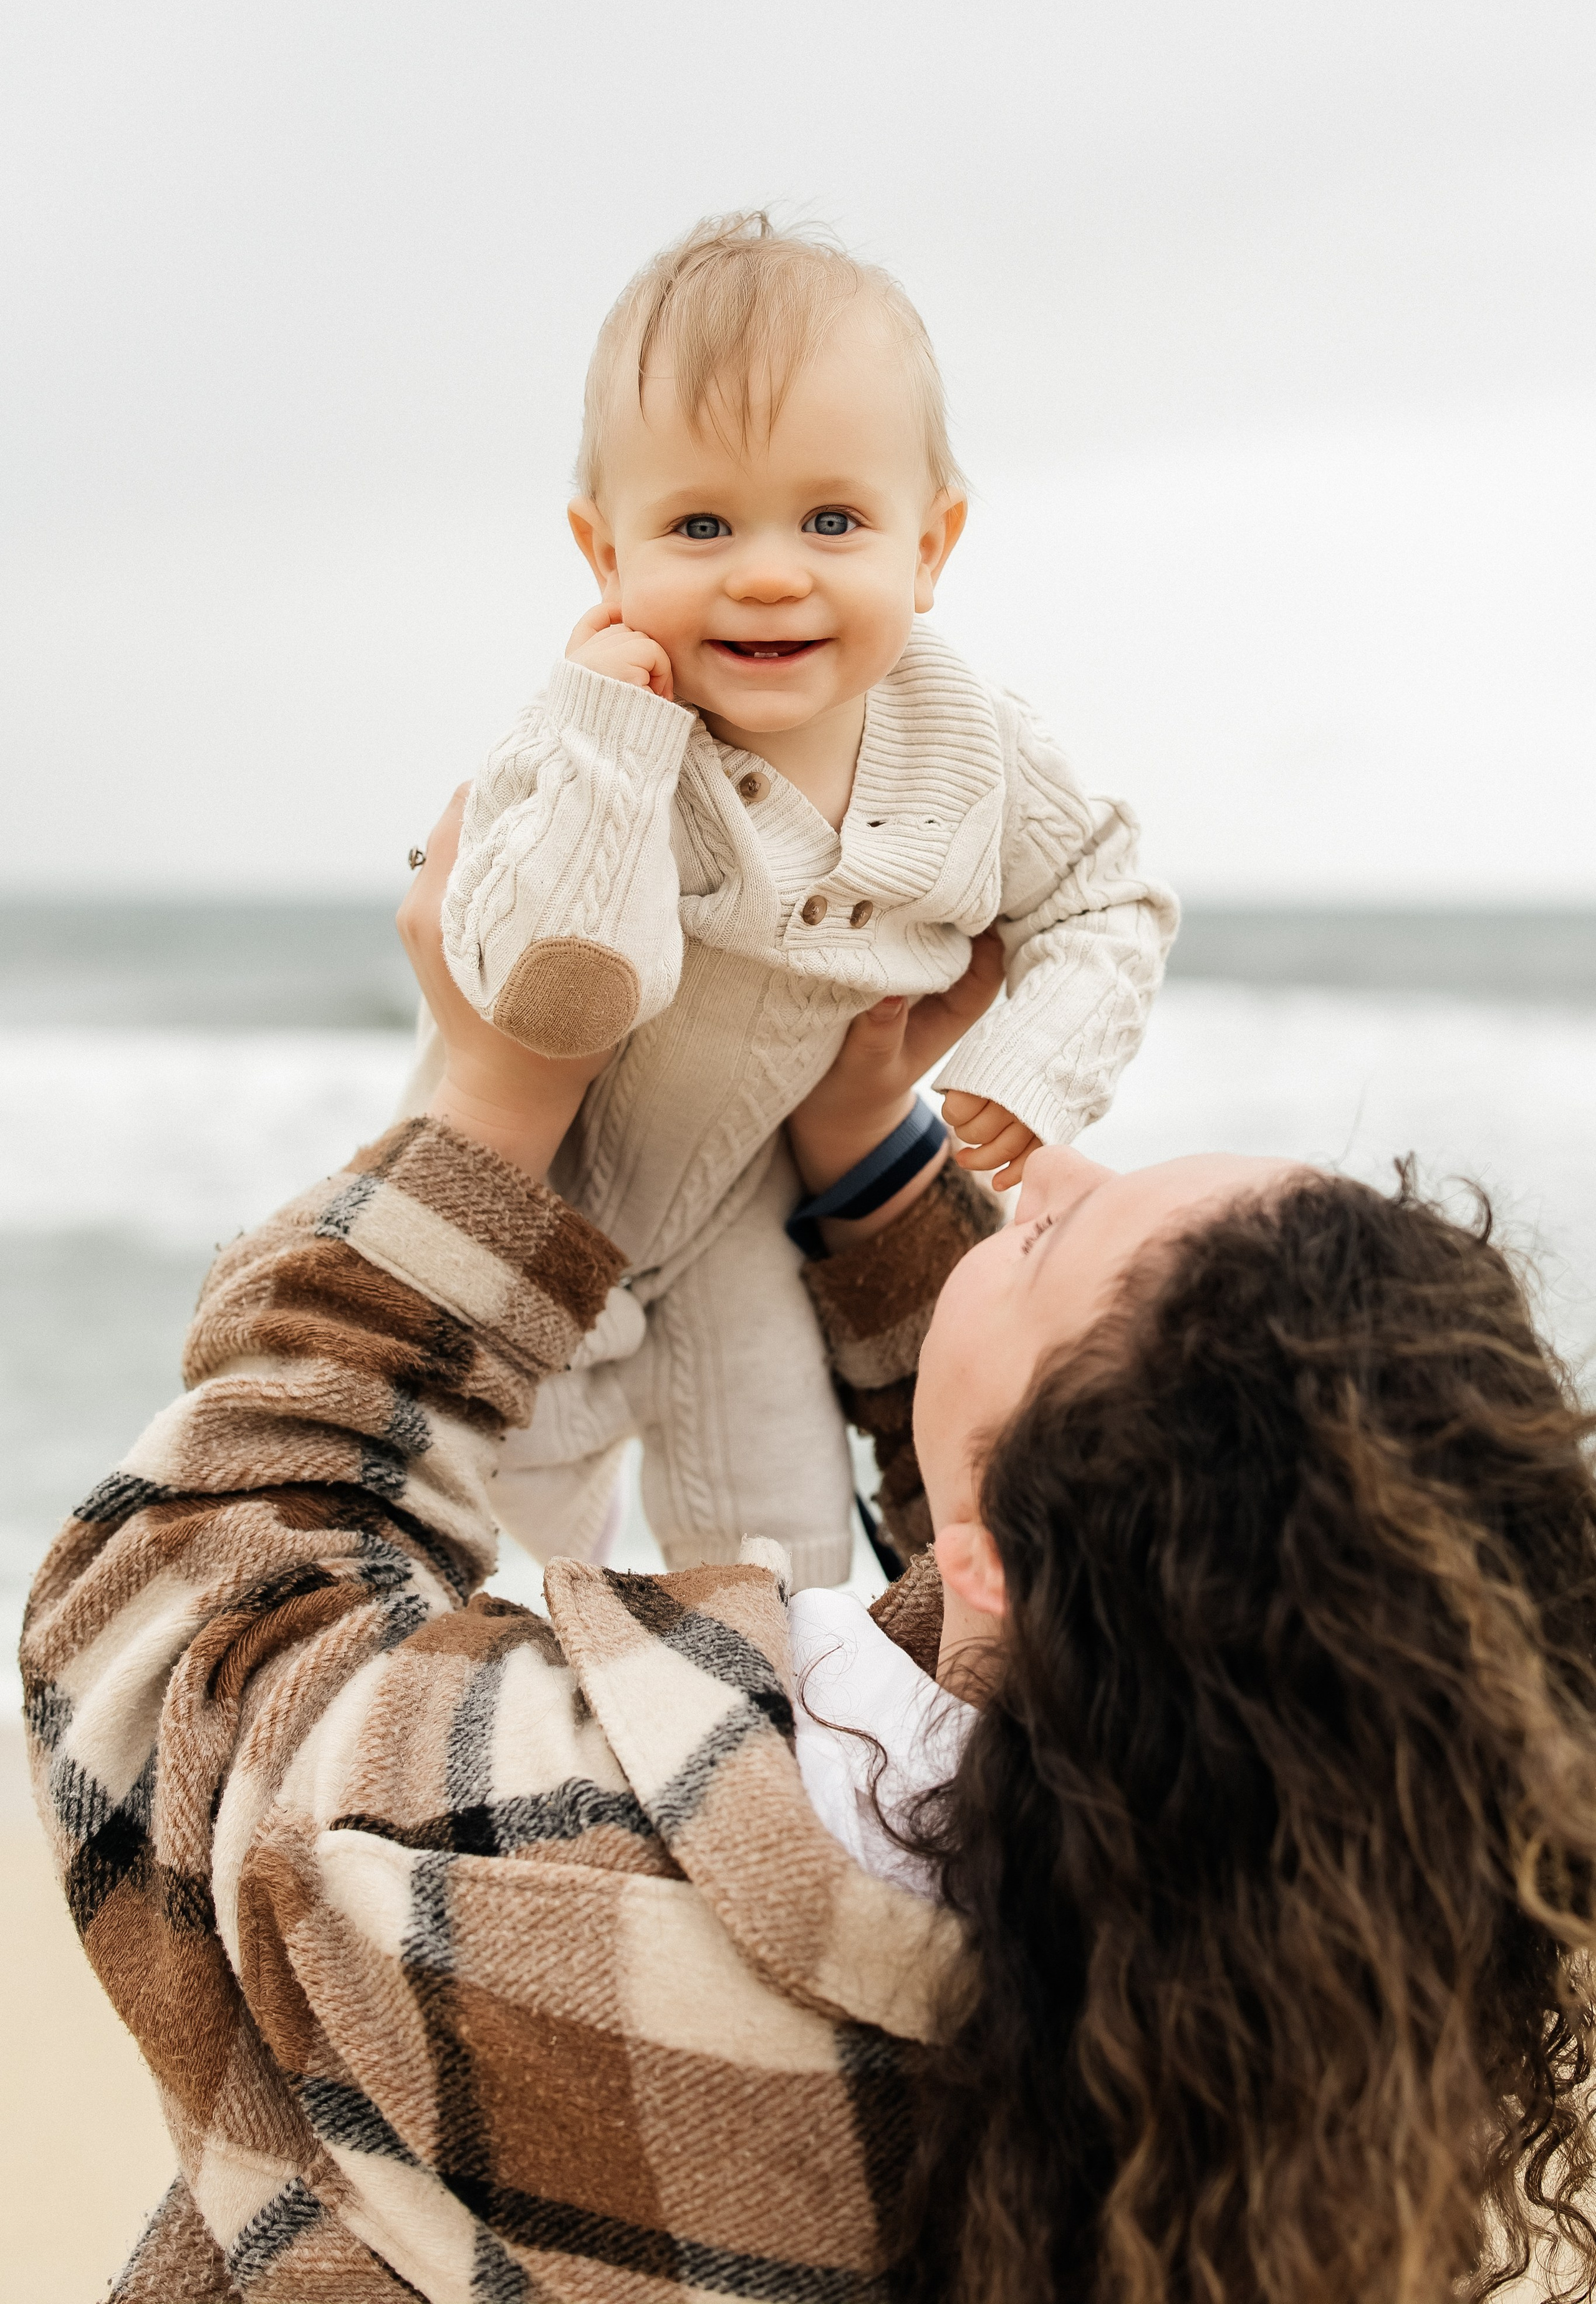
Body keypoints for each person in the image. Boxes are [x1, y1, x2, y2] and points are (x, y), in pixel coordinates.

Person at [23, 803, 1596, 2304]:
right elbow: (1080, 1550)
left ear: (1009, 1565)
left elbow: (185, 1625)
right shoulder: (1310, 1992)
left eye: (1043, 1239)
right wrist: (870, 1166)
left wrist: (493, 1109)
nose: (1042, 1168)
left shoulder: (550, 1885)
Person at [399, 209, 1176, 1587]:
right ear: (604, 557)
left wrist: (1032, 1065)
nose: (768, 569)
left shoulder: (970, 742)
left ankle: (769, 1763)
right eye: (699, 524)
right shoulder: (586, 731)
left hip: (742, 1225)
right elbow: (517, 973)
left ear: (928, 545)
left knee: (779, 1550)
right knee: (423, 1490)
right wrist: (609, 738)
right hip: (531, 1186)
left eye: (832, 519)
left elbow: (1104, 894)